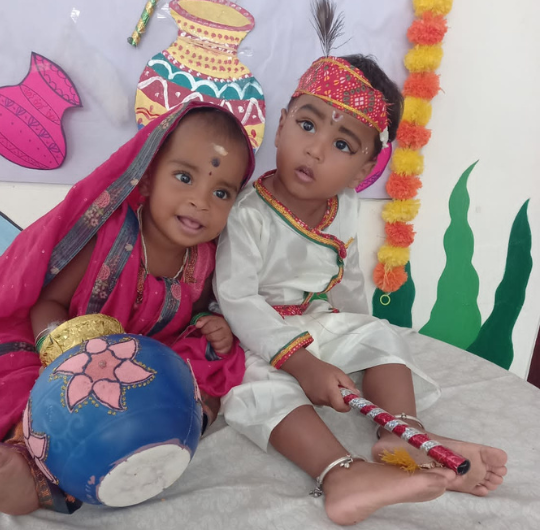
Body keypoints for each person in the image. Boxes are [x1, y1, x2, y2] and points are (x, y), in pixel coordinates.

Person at [214, 54, 508, 526]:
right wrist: (304, 365)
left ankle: (404, 434)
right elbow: (238, 299)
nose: (315, 150)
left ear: (363, 170)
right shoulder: (248, 213)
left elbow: (347, 280)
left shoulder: (344, 204)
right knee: (254, 390)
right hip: (254, 335)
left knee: (380, 334)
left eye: (341, 144)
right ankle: (341, 473)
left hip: (314, 323)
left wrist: (355, 340)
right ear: (281, 125)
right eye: (307, 125)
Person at [0, 101, 254, 515]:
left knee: (210, 367)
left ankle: (154, 441)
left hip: (136, 364)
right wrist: (67, 361)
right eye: (184, 177)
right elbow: (49, 302)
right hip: (61, 356)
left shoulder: (203, 260)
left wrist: (209, 323)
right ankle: (23, 466)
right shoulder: (107, 234)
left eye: (221, 193)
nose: (200, 201)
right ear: (146, 178)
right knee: (21, 394)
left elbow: (193, 315)